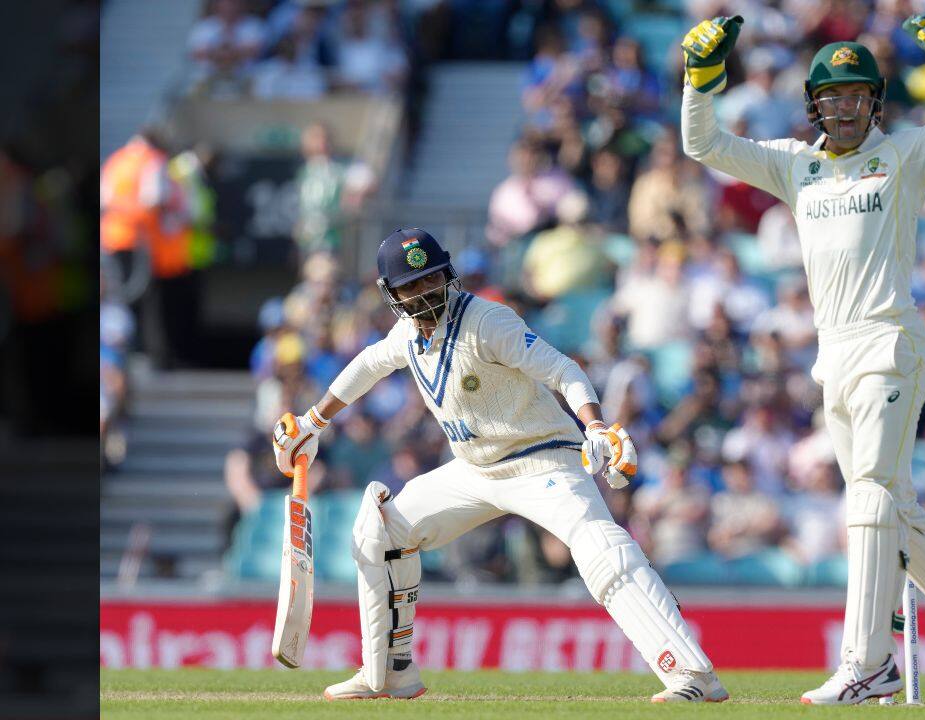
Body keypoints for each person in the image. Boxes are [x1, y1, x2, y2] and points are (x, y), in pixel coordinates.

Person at [679, 13, 925, 706]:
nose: (844, 107)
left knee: (868, 495)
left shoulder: (905, 154)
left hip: (890, 341)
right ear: (814, 103)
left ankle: (867, 664)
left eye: (857, 95)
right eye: (833, 96)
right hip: (832, 357)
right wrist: (698, 79)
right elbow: (703, 143)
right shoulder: (795, 165)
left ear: (876, 102)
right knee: (887, 509)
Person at [271, 229, 728, 703]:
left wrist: (595, 426)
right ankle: (389, 673)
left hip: (541, 459)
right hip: (475, 470)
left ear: (447, 274)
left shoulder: (487, 322)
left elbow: (562, 369)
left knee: (600, 548)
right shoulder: (406, 335)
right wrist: (313, 420)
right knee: (380, 531)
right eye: (412, 286)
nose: (426, 293)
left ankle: (693, 675)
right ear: (392, 295)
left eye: (432, 279)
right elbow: (368, 364)